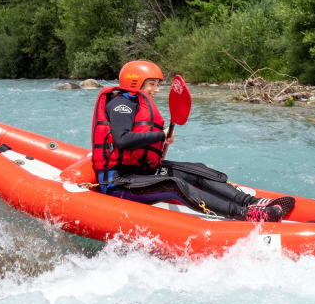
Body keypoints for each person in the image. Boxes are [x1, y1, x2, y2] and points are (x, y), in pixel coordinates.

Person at [91, 60, 291, 222]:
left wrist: (163, 140)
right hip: (119, 181)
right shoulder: (121, 104)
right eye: (152, 84)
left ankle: (253, 202)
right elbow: (122, 140)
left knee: (195, 169)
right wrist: (161, 135)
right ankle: (245, 214)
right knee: (174, 184)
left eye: (157, 85)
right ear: (136, 82)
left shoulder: (137, 102)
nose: (157, 90)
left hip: (141, 172)